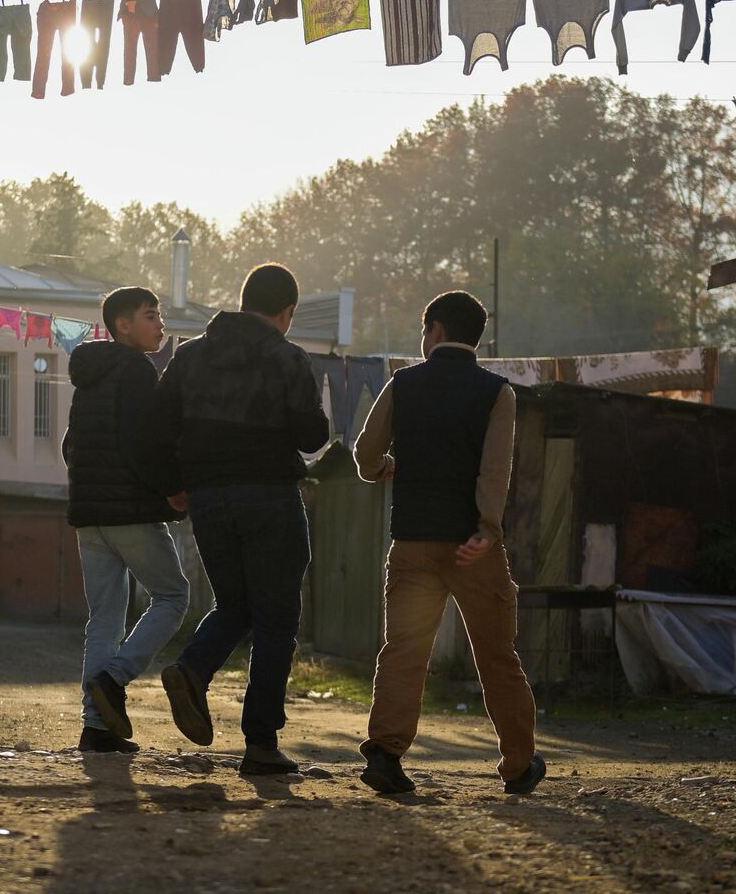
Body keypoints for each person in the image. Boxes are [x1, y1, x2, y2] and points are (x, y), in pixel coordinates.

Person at [351, 291, 545, 796]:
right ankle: (519, 764)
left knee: (405, 651)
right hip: (472, 548)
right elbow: (494, 470)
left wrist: (379, 469)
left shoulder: (403, 384)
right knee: (496, 654)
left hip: (412, 542)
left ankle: (387, 754)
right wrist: (486, 529)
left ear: (433, 330)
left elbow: (366, 452)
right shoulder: (497, 393)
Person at [151, 263, 329, 775]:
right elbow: (311, 436)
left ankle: (192, 668)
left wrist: (174, 487)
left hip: (209, 500)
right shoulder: (287, 357)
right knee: (276, 618)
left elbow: (158, 428)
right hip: (271, 497)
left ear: (243, 299)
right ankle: (260, 743)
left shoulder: (190, 356)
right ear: (287, 312)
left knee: (235, 604)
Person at [63, 286, 192, 755]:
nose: (159, 325)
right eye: (150, 315)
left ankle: (96, 728)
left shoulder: (89, 377)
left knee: (104, 619)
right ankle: (113, 680)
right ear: (122, 326)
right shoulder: (137, 370)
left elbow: (69, 446)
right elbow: (145, 444)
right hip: (130, 512)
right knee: (174, 596)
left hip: (89, 516)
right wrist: (173, 488)